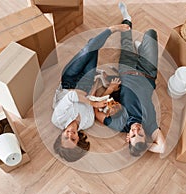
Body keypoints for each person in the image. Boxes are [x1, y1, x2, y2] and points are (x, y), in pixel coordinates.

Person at [94, 2, 166, 156]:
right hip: (148, 72)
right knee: (151, 33)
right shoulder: (150, 124)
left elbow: (96, 113)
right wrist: (146, 145)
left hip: (127, 71)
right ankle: (140, 50)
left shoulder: (120, 124)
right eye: (141, 135)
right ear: (146, 136)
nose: (137, 131)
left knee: (126, 39)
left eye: (133, 136)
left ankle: (127, 18)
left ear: (127, 137)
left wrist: (108, 91)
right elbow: (162, 148)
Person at [52, 24, 130, 162]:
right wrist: (97, 83)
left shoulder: (58, 119)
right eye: (73, 139)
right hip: (86, 85)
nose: (70, 134)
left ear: (60, 136)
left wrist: (94, 102)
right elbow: (88, 97)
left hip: (69, 81)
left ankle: (112, 29)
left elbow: (72, 95)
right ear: (79, 140)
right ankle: (95, 41)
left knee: (89, 49)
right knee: (93, 49)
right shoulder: (87, 122)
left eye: (65, 137)